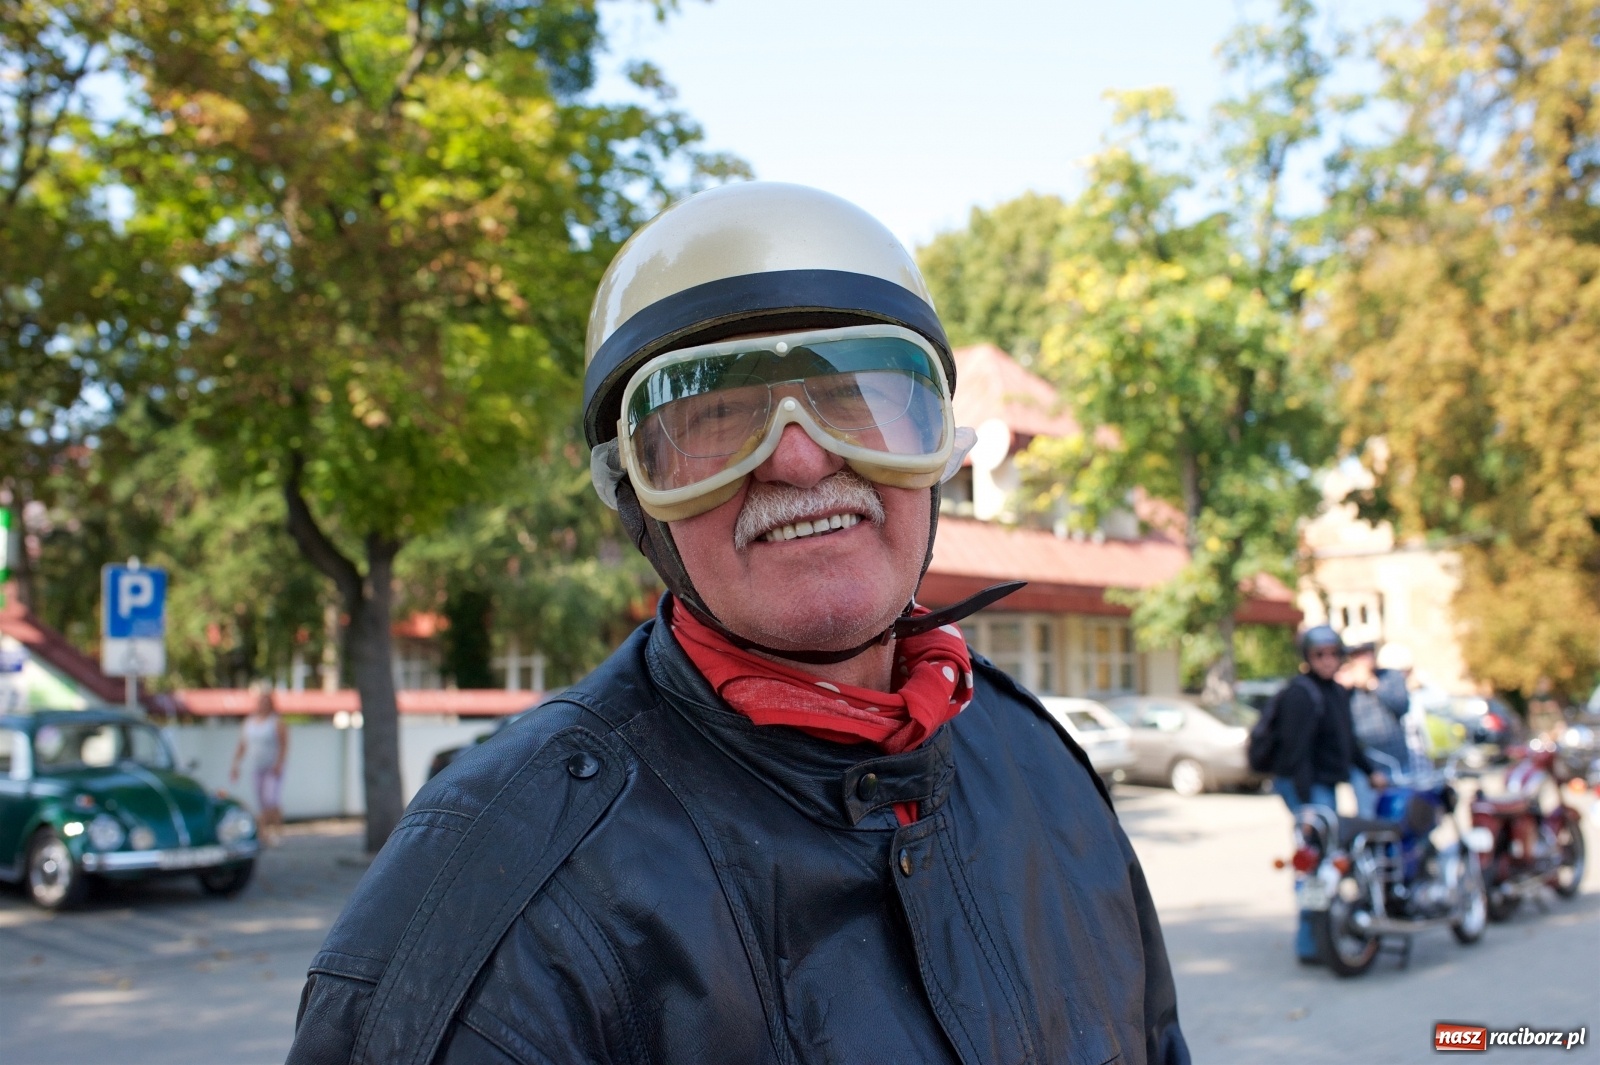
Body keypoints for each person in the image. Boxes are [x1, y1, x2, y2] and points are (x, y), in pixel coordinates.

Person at [286, 183, 1189, 1065]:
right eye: (715, 414)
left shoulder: (1041, 767)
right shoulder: (492, 892)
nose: (799, 458)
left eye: (855, 393)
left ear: (937, 447)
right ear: (634, 494)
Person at [1269, 625, 1387, 961]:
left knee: (1326, 857)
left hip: (1324, 785)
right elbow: (1295, 754)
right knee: (1314, 859)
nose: (1327, 660)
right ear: (1308, 657)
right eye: (1319, 654)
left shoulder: (1336, 692)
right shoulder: (1300, 695)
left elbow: (1348, 742)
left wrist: (1370, 771)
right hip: (1305, 786)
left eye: (1333, 653)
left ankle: (1324, 933)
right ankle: (1309, 941)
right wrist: (1306, 807)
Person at [1339, 643, 1407, 816]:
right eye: (1356, 655)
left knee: (1402, 812)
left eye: (1366, 652)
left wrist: (1372, 683)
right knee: (1369, 815)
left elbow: (1401, 706)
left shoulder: (1390, 676)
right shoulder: (1346, 684)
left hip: (1396, 760)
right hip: (1365, 763)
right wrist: (1340, 688)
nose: (1362, 659)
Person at [230, 684, 287, 846]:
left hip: (272, 767)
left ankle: (272, 832)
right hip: (257, 767)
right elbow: (242, 745)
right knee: (262, 802)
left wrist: (279, 763)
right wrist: (235, 765)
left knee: (271, 800)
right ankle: (266, 834)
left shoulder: (276, 722)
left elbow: (284, 745)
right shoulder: (249, 723)